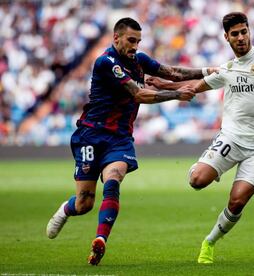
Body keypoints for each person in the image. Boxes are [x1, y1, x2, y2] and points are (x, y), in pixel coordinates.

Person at [45, 17, 215, 266]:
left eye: (138, 41)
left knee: (113, 180)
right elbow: (139, 94)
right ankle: (66, 210)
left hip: (119, 138)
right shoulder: (106, 62)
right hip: (91, 136)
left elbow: (173, 72)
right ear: (116, 38)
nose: (135, 46)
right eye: (131, 40)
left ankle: (100, 240)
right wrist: (176, 94)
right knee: (85, 203)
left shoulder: (139, 60)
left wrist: (206, 71)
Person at [146, 12, 254, 264]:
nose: (241, 37)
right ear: (226, 37)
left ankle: (209, 242)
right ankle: (203, 165)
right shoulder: (227, 69)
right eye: (235, 34)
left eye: (244, 31)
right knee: (197, 180)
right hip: (231, 138)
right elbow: (194, 87)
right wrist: (163, 86)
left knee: (236, 201)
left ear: (249, 31)